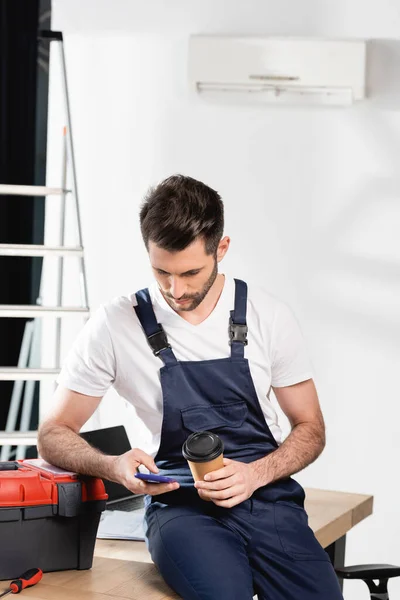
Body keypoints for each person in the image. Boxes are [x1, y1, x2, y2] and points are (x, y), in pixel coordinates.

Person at [38, 174, 343, 600]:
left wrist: (255, 475)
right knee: (223, 594)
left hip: (266, 498)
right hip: (179, 505)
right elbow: (53, 434)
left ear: (222, 248)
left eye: (190, 273)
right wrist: (115, 467)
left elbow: (311, 428)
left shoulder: (267, 316)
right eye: (161, 272)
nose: (175, 291)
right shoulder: (115, 324)